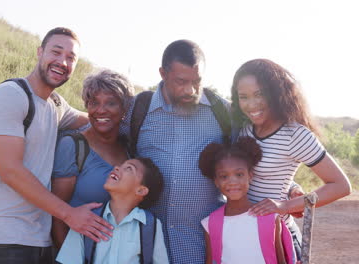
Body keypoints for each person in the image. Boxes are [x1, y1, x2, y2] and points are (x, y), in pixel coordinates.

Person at [0, 27, 112, 264]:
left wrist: (132, 114)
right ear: (40, 52)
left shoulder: (56, 105)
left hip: (38, 236)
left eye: (70, 57)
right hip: (4, 232)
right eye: (56, 52)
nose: (62, 62)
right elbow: (10, 171)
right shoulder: (10, 95)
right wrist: (69, 215)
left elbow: (97, 119)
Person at [231, 58, 352, 260]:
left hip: (278, 238)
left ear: (275, 93)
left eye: (259, 94)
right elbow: (267, 173)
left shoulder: (295, 135)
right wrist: (291, 186)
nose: (251, 104)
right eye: (244, 97)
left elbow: (341, 185)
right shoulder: (244, 129)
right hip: (245, 234)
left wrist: (286, 205)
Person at [120, 39, 229, 263]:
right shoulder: (138, 110)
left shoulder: (223, 112)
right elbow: (111, 144)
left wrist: (291, 188)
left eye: (196, 81)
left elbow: (251, 157)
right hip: (146, 248)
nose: (190, 90)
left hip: (202, 250)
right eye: (181, 81)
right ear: (163, 73)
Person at [51, 69, 134, 248]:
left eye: (111, 103)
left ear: (124, 109)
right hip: (77, 253)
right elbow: (57, 216)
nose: (100, 110)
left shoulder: (129, 151)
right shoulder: (73, 146)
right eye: (93, 102)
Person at [199, 137, 296, 264]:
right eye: (224, 176)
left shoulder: (269, 217)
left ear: (250, 176)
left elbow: (280, 260)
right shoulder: (210, 223)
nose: (232, 182)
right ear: (216, 181)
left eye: (239, 174)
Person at [56, 157, 169, 264]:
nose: (116, 167)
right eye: (120, 165)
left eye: (129, 168)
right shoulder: (86, 218)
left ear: (141, 190)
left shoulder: (150, 225)